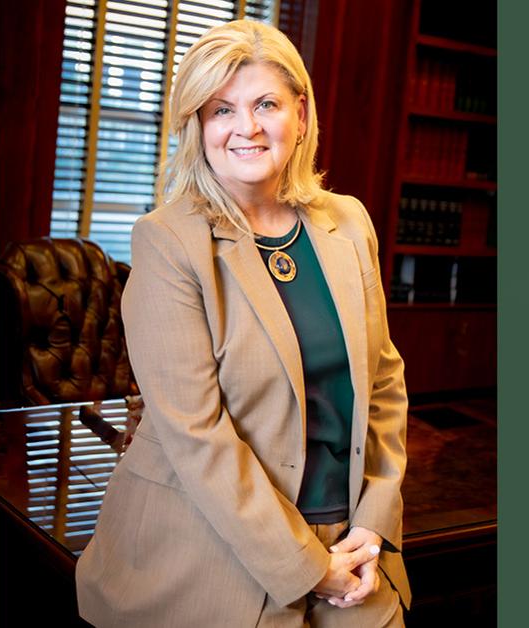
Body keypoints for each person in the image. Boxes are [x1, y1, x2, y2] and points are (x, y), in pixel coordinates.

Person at [76, 19, 409, 627]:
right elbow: (196, 433)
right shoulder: (169, 242)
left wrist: (374, 520)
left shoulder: (348, 222)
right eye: (221, 109)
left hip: (350, 537)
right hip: (213, 549)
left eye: (265, 104)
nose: (246, 128)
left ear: (301, 115)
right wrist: (308, 566)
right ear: (198, 126)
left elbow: (383, 380)